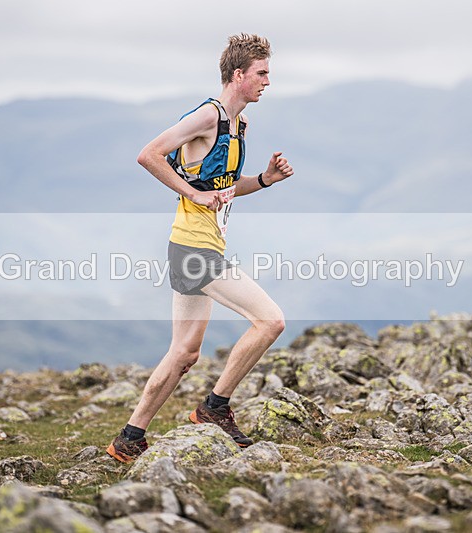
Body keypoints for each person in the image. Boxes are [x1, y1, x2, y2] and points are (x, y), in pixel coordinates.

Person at [107, 33, 294, 463]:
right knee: (270, 321)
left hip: (196, 246)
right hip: (195, 251)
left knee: (184, 352)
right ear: (238, 74)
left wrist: (264, 180)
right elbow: (149, 154)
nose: (268, 82)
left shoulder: (239, 125)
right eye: (262, 74)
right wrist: (190, 194)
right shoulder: (207, 117)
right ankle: (215, 408)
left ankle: (129, 439)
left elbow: (224, 189)